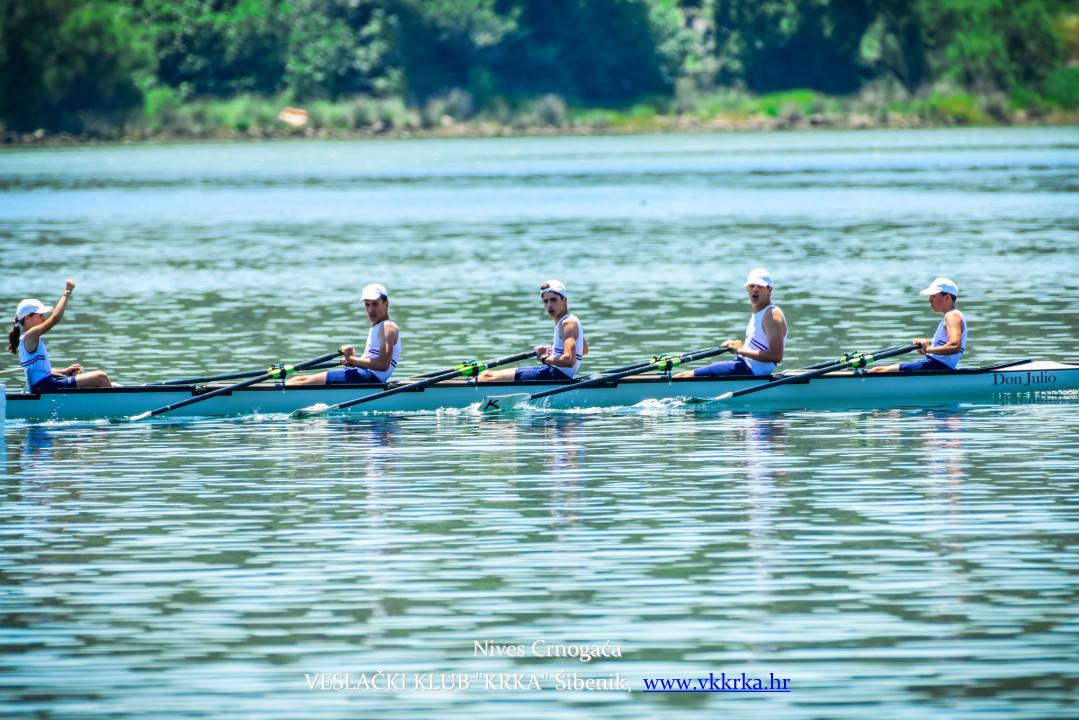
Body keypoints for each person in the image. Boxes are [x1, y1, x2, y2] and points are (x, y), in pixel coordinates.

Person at [674, 268, 787, 378]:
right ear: (746, 289)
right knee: (684, 375)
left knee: (682, 376)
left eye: (760, 286)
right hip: (745, 367)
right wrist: (735, 346)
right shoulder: (760, 313)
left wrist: (741, 350)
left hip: (749, 371)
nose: (755, 289)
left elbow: (776, 355)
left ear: (769, 290)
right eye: (752, 286)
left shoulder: (772, 314)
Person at [287, 283, 401, 386]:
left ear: (386, 304)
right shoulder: (379, 327)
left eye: (375, 304)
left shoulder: (387, 327)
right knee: (298, 379)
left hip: (367, 378)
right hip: (363, 375)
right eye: (367, 305)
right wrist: (353, 362)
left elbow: (383, 365)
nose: (370, 310)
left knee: (300, 383)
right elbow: (375, 361)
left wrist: (351, 358)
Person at [7, 280, 112, 391]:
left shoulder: (27, 338)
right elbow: (55, 318)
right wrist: (66, 292)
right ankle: (116, 406)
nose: (44, 319)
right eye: (41, 315)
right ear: (28, 318)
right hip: (45, 386)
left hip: (44, 385)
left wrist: (65, 371)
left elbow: (44, 372)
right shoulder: (30, 335)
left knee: (94, 381)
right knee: (101, 377)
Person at [479, 280, 588, 382]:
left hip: (554, 375)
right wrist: (553, 351)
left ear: (564, 300)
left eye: (553, 300)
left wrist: (543, 358)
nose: (549, 305)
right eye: (545, 301)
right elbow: (583, 350)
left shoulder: (566, 324)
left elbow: (569, 360)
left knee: (487, 376)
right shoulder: (573, 319)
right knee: (488, 375)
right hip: (555, 373)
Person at [869, 278, 966, 373]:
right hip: (936, 366)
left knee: (876, 371)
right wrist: (927, 351)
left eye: (933, 296)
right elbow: (948, 354)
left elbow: (955, 346)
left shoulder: (952, 316)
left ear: (947, 298)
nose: (930, 300)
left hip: (935, 366)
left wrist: (928, 349)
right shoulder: (953, 316)